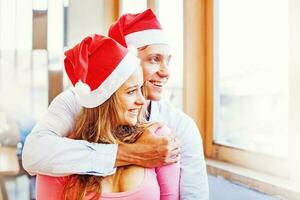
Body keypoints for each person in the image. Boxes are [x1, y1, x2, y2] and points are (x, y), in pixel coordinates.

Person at [23, 9, 209, 199]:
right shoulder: (77, 102)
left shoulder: (179, 126)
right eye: (154, 59)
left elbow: (195, 195)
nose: (166, 72)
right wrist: (130, 153)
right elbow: (33, 154)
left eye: (167, 61)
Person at [36, 34, 179, 200]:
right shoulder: (61, 155)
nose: (141, 100)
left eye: (141, 88)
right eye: (131, 91)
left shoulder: (159, 139)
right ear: (105, 101)